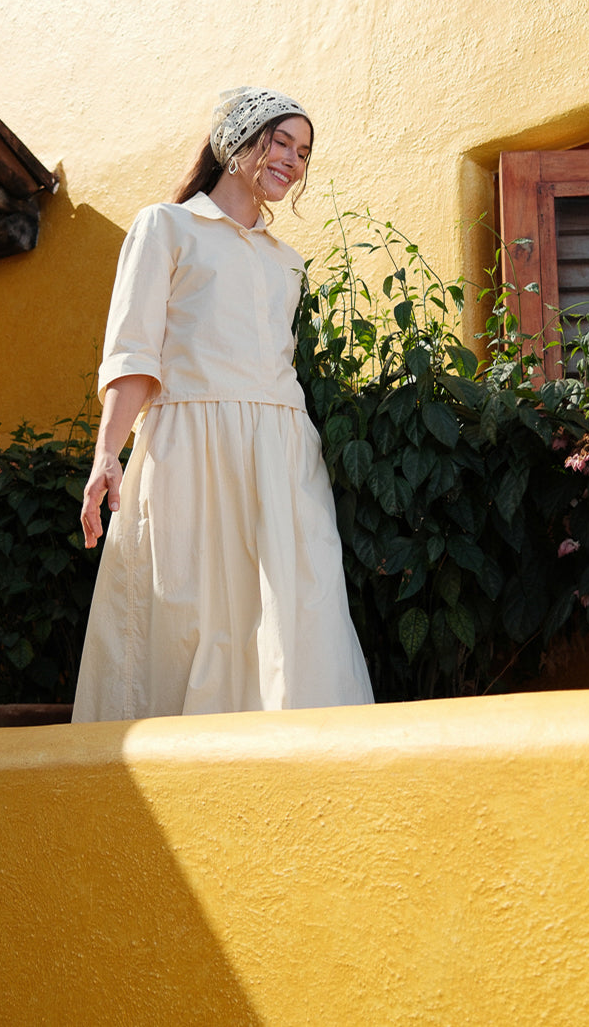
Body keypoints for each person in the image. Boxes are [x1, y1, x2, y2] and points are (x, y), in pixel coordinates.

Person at [71, 87, 374, 721]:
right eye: (280, 142)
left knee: (299, 614)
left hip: (283, 452)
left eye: (304, 152)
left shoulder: (288, 263)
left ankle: (299, 766)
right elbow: (134, 354)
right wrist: (107, 454)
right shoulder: (166, 226)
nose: (293, 161)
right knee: (188, 621)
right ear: (236, 144)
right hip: (191, 450)